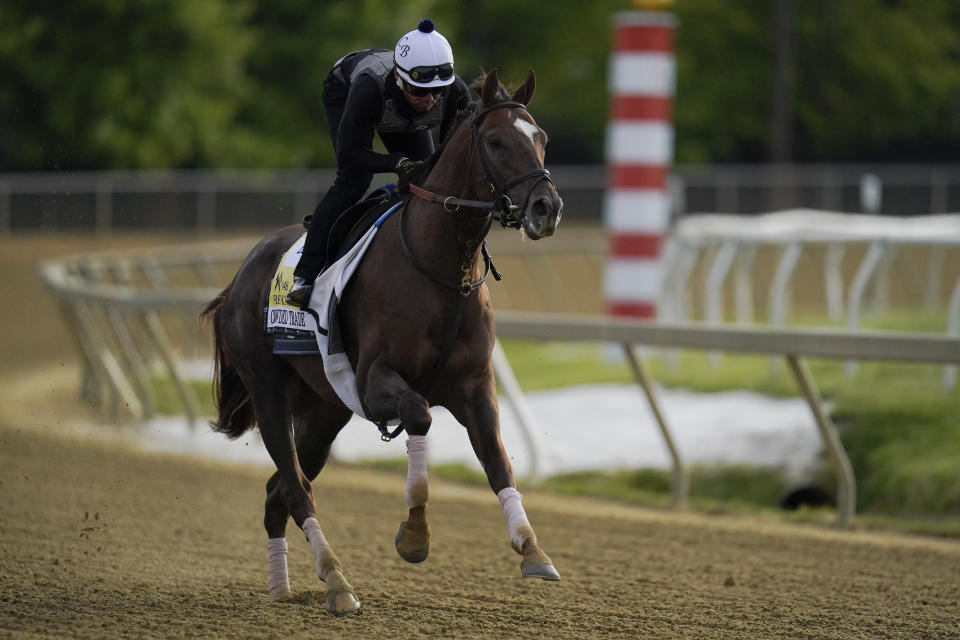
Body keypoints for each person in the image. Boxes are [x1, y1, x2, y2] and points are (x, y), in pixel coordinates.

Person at [286, 18, 471, 306]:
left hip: (395, 106)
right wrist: (396, 162)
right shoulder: (368, 90)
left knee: (426, 179)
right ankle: (306, 275)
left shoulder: (456, 94)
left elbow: (446, 159)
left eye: (438, 91)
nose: (430, 100)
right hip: (346, 88)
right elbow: (349, 154)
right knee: (352, 181)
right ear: (399, 78)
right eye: (420, 91)